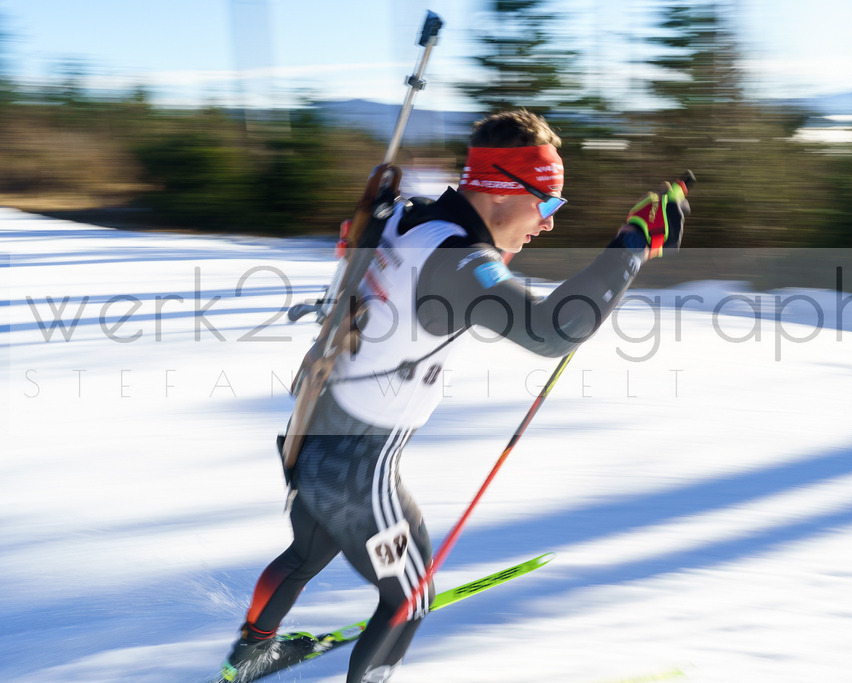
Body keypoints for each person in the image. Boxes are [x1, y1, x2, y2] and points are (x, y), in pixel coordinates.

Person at [220, 109, 691, 682]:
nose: (548, 224)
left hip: (316, 435)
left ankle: (250, 656)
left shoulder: (412, 218)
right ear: (498, 192)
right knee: (411, 598)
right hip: (359, 468)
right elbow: (549, 330)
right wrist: (633, 245)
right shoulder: (457, 261)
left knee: (309, 551)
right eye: (547, 203)